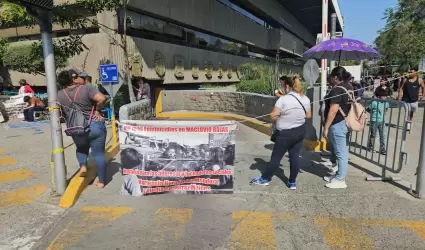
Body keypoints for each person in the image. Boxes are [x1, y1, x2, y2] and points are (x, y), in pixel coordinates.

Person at [251, 76, 311, 189]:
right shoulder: (305, 98)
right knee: (295, 157)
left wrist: (282, 112)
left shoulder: (283, 99)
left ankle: (265, 179)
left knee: (276, 158)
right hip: (300, 132)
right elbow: (308, 115)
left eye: (283, 86)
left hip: (285, 134)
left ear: (287, 86)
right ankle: (292, 182)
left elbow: (273, 116)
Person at [57, 69, 107, 188]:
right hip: (93, 125)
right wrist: (97, 110)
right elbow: (102, 98)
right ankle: (101, 182)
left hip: (75, 127)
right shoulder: (86, 88)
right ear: (73, 78)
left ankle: (83, 166)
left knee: (81, 148)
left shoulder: (59, 94)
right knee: (98, 154)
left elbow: (61, 112)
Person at [322, 66, 352, 189]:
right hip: (344, 122)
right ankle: (338, 175)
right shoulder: (348, 87)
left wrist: (326, 127)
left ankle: (340, 179)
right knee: (342, 151)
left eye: (331, 77)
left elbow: (333, 110)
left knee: (341, 153)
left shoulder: (337, 90)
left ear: (335, 77)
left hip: (338, 123)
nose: (330, 80)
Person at [367, 88, 390, 155]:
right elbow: (368, 109)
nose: (385, 97)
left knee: (382, 135)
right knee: (373, 134)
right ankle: (371, 147)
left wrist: (384, 113)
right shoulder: (374, 103)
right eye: (383, 96)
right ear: (379, 96)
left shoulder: (386, 103)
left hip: (382, 121)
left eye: (386, 96)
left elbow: (386, 108)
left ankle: (383, 149)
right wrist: (374, 113)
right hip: (374, 121)